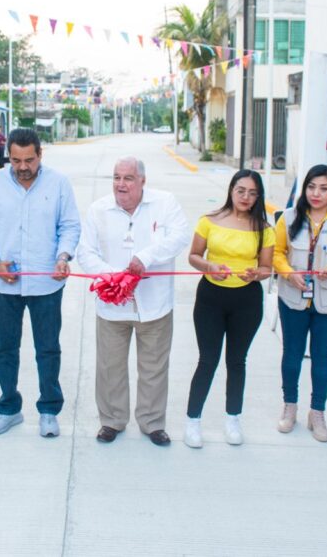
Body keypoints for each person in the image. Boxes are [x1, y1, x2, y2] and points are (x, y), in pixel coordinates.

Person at [0, 128, 81, 438]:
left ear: (40, 155)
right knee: (5, 349)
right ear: (8, 155)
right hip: (3, 284)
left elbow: (70, 225)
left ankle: (48, 410)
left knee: (48, 349)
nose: (22, 167)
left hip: (47, 284)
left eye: (29, 160)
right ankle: (9, 409)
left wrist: (63, 257)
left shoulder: (58, 183)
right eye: (15, 160)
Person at [75, 157, 189, 446]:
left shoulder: (165, 203)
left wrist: (145, 258)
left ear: (142, 181)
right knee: (110, 367)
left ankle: (152, 423)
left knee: (153, 368)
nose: (120, 185)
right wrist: (115, 277)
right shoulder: (98, 210)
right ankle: (112, 421)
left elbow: (179, 237)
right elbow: (86, 253)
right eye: (116, 178)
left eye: (127, 178)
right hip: (113, 305)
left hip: (155, 305)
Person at [183, 169, 274, 448]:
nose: (246, 197)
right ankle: (192, 422)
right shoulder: (209, 221)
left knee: (237, 361)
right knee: (207, 360)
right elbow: (194, 256)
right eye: (241, 190)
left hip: (246, 301)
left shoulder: (264, 229)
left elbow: (267, 268)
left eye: (252, 193)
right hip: (211, 297)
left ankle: (233, 420)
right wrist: (209, 266)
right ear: (231, 190)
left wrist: (256, 274)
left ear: (258, 196)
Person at [273, 165, 327, 442]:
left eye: (323, 188)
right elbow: (277, 253)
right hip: (292, 297)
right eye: (311, 187)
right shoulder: (288, 218)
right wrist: (288, 273)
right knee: (292, 356)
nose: (316, 193)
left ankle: (317, 413)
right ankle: (290, 407)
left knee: (322, 359)